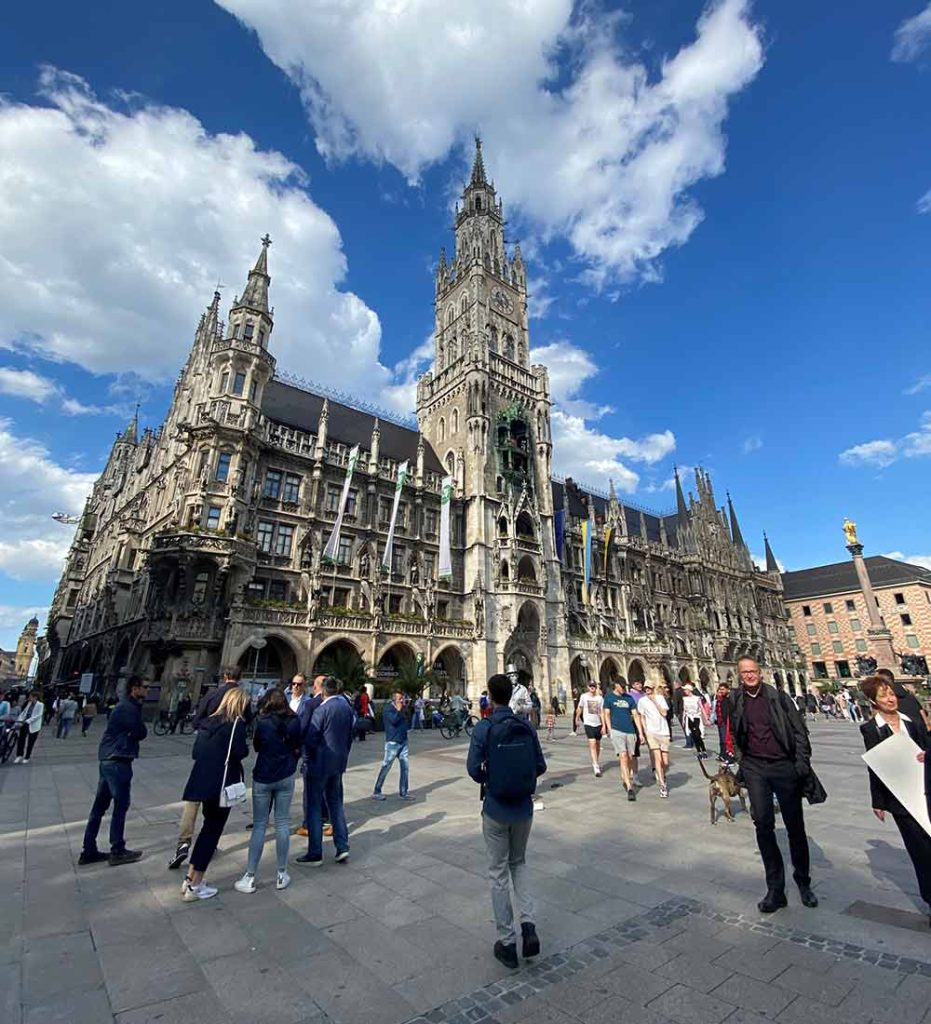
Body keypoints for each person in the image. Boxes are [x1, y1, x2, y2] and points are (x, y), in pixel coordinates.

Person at [467, 673, 546, 969]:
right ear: (512, 694)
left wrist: (494, 779)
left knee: (498, 872)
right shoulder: (525, 726)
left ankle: (508, 941)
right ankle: (529, 925)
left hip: (496, 807)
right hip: (523, 808)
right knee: (519, 864)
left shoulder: (484, 728)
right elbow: (540, 765)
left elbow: (473, 769)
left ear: (490, 695)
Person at [727, 656, 818, 914]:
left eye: (753, 671)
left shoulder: (778, 698)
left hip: (783, 766)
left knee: (794, 826)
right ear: (739, 675)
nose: (749, 676)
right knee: (763, 824)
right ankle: (775, 889)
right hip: (755, 768)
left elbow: (800, 732)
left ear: (761, 673)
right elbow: (734, 730)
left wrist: (800, 764)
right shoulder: (736, 700)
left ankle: (803, 882)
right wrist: (742, 762)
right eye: (744, 672)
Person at [859, 674, 931, 925]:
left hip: (926, 789)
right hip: (900, 797)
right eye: (884, 696)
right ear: (873, 701)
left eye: (891, 694)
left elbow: (928, 744)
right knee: (920, 851)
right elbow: (875, 764)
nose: (891, 699)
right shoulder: (870, 729)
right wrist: (877, 801)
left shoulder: (911, 721)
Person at [168, 666, 246, 870]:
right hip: (225, 762)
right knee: (215, 814)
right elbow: (245, 729)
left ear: (225, 676)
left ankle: (184, 843)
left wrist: (207, 730)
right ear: (239, 678)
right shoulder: (240, 698)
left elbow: (196, 721)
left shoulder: (212, 694)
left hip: (204, 754)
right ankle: (207, 846)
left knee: (193, 801)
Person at [180, 686, 250, 901]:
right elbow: (240, 751)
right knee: (212, 832)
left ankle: (189, 878)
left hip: (201, 781)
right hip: (221, 784)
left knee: (205, 831)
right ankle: (195, 886)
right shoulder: (236, 724)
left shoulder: (207, 722)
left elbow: (196, 752)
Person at [235, 688, 302, 894]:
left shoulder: (263, 723)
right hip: (286, 775)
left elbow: (256, 746)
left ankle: (250, 875)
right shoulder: (295, 720)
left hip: (263, 776)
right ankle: (282, 874)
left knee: (259, 826)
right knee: (282, 823)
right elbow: (298, 745)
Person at [79, 676, 149, 867]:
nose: (147, 690)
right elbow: (141, 732)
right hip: (118, 759)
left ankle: (89, 850)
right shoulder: (128, 708)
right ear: (135, 689)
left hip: (109, 758)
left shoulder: (126, 706)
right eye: (145, 687)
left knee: (99, 808)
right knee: (120, 805)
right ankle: (117, 850)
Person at [296, 675, 354, 866]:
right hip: (338, 764)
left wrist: (305, 760)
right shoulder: (347, 708)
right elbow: (350, 736)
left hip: (319, 765)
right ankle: (342, 847)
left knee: (314, 807)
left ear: (323, 692)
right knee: (336, 805)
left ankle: (315, 852)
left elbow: (311, 739)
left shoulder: (322, 709)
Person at [602, 678, 645, 800]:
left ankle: (625, 774)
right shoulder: (609, 697)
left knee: (630, 757)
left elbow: (636, 715)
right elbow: (606, 714)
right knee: (623, 756)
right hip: (617, 731)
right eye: (621, 686)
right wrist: (610, 729)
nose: (623, 688)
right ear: (616, 685)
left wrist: (640, 733)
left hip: (630, 731)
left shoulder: (629, 698)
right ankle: (629, 787)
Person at [372, 690, 412, 801]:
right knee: (386, 767)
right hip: (393, 742)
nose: (402, 700)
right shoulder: (388, 709)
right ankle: (377, 791)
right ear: (394, 699)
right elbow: (393, 721)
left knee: (405, 768)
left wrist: (405, 708)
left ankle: (403, 792)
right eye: (400, 699)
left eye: (402, 698)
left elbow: (407, 720)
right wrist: (398, 710)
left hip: (403, 741)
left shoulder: (403, 709)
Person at [638, 684, 670, 798]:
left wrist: (655, 702)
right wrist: (644, 730)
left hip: (663, 732)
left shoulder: (660, 698)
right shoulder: (642, 701)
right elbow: (641, 716)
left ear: (653, 688)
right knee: (657, 758)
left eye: (649, 688)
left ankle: (662, 774)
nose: (647, 690)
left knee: (665, 762)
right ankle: (662, 785)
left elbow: (664, 713)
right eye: (646, 688)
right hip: (651, 732)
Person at [575, 680, 605, 777]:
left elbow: (602, 712)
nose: (592, 687)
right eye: (591, 686)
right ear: (588, 687)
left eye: (594, 686)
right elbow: (580, 707)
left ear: (596, 687)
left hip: (598, 723)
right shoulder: (583, 696)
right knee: (592, 744)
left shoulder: (600, 698)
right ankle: (596, 766)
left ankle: (596, 760)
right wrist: (577, 718)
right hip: (588, 723)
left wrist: (604, 725)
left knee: (597, 744)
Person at [14, 690, 44, 764]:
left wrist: (28, 721)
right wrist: (19, 720)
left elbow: (38, 715)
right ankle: (19, 755)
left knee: (30, 742)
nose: (29, 698)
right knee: (21, 740)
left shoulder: (40, 704)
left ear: (35, 697)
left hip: (33, 726)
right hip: (24, 723)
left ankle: (27, 757)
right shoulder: (29, 703)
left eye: (31, 696)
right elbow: (24, 712)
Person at [681, 684, 707, 758]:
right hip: (689, 718)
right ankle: (699, 751)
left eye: (685, 690)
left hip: (696, 717)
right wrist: (683, 720)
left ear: (689, 690)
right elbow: (684, 710)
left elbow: (701, 708)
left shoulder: (696, 698)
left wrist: (706, 718)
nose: (684, 691)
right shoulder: (685, 699)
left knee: (698, 735)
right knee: (694, 736)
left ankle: (704, 750)